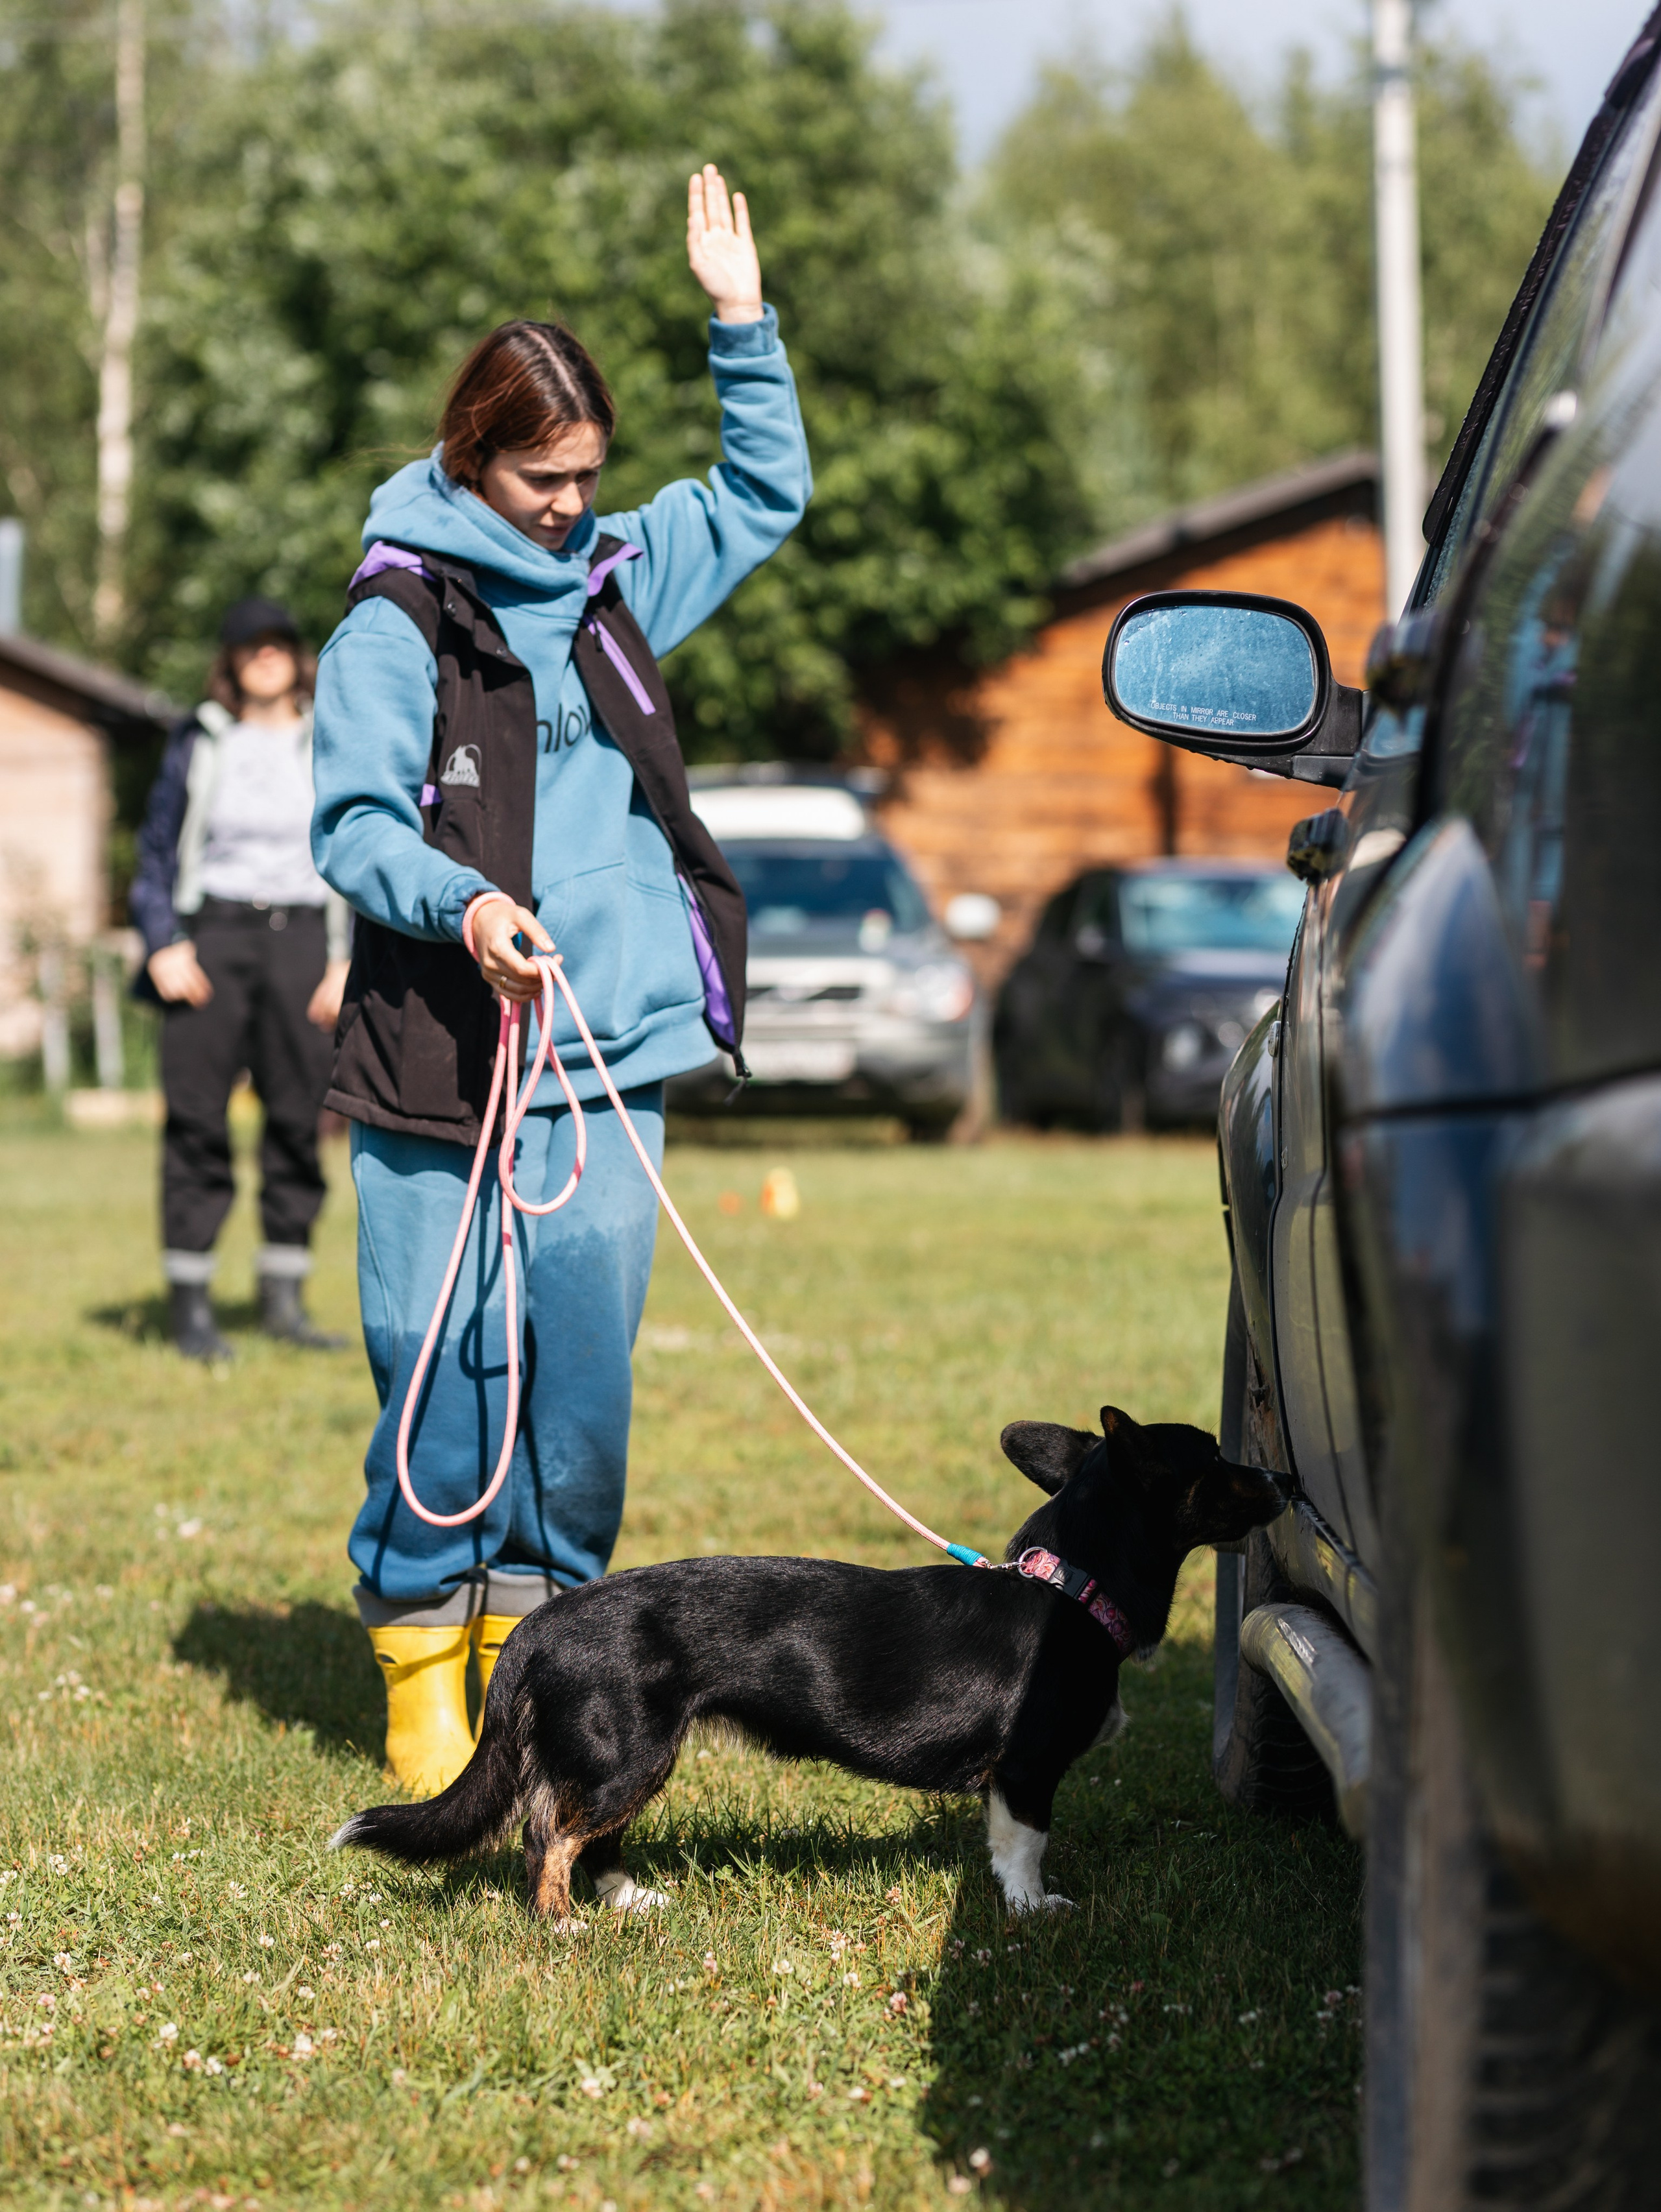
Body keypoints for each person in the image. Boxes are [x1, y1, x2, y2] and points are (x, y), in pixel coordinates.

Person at [310, 165, 811, 1796]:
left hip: (605, 1059)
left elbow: (765, 494)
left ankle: (537, 1678)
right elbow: (353, 822)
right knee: (440, 1367)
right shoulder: (395, 621)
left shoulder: (617, 575)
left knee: (577, 1399)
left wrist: (740, 321)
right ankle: (419, 1668)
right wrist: (460, 905)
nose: (572, 505)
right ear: (473, 455)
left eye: (589, 474)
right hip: (440, 1060)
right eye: (544, 478)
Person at [131, 597, 352, 1362]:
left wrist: (345, 961)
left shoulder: (331, 735)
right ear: (228, 660)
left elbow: (362, 843)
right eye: (250, 645)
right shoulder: (200, 738)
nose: (265, 655)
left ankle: (283, 1300)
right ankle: (191, 1306)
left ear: (296, 655)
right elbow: (157, 848)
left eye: (277, 643)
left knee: (297, 1119)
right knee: (196, 1120)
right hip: (213, 936)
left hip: (305, 939)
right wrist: (163, 942)